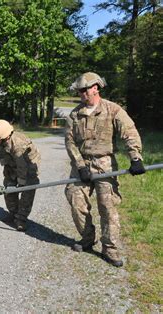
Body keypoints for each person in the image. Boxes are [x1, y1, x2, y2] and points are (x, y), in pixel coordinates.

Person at [65, 72, 145, 267]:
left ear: (95, 88)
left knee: (107, 207)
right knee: (76, 201)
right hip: (81, 164)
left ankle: (109, 248)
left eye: (85, 90)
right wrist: (80, 166)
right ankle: (87, 238)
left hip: (105, 164)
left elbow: (129, 132)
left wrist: (135, 157)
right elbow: (70, 142)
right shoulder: (74, 115)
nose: (82, 93)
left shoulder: (113, 110)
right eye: (79, 91)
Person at [0, 119, 40, 231]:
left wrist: (21, 182)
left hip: (28, 167)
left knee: (27, 191)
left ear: (6, 137)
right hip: (12, 164)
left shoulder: (18, 144)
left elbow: (22, 166)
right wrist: (8, 171)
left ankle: (21, 219)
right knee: (8, 188)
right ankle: (13, 213)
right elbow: (3, 156)